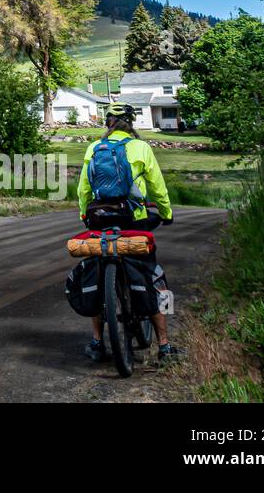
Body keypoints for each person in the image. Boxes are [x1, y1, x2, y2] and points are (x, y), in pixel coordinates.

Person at [75, 102, 178, 363]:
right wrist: (165, 213)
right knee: (154, 275)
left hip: (99, 219)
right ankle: (164, 345)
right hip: (134, 220)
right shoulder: (140, 147)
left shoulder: (93, 148)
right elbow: (157, 187)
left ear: (107, 123)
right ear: (130, 124)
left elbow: (83, 190)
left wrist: (85, 215)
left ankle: (98, 342)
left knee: (97, 274)